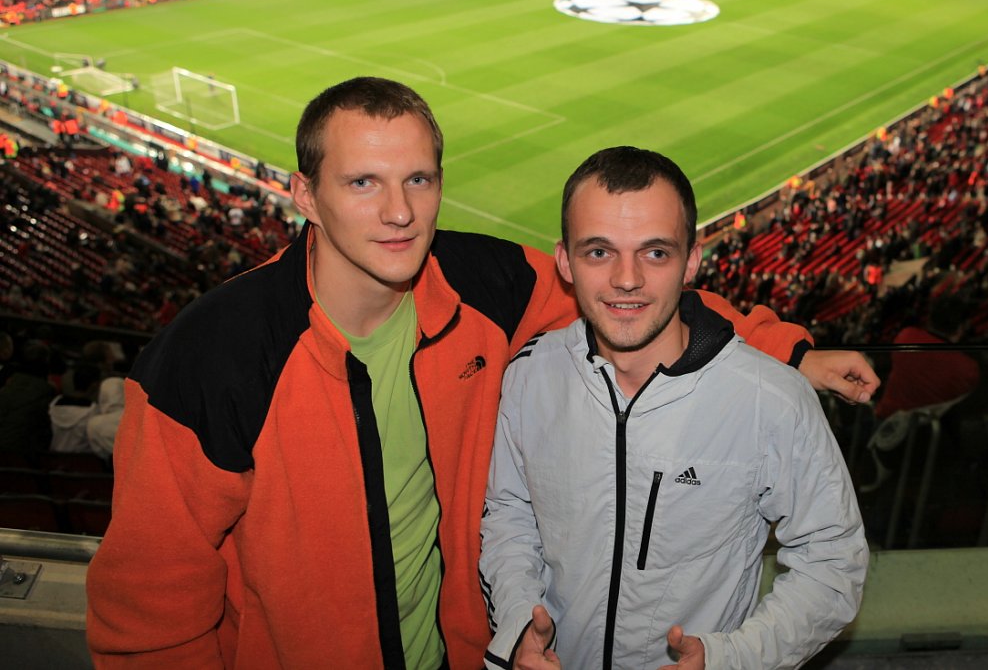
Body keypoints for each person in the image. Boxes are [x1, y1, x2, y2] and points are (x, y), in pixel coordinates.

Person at [85, 78, 879, 669]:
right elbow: (150, 613)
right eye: (363, 182)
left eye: (419, 179)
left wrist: (787, 352)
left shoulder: (481, 285)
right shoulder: (210, 357)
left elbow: (633, 293)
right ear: (305, 194)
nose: (400, 211)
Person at [480, 147, 867, 670]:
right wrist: (519, 627)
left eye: (656, 253)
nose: (627, 278)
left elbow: (833, 564)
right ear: (565, 262)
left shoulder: (773, 400)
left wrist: (732, 659)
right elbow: (509, 516)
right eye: (599, 251)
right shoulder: (529, 376)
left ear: (692, 261)